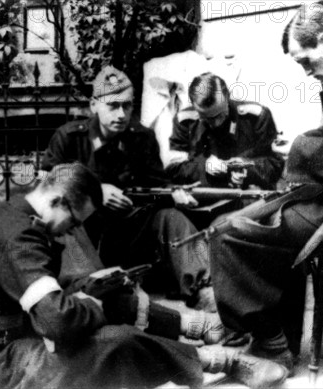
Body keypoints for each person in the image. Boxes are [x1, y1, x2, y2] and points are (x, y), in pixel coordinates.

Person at [0, 162, 288, 389]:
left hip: (1, 336)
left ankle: (201, 327)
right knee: (114, 341)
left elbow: (47, 300)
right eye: (74, 222)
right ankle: (220, 362)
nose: (69, 233)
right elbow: (57, 323)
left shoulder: (19, 210)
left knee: (100, 292)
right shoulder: (20, 236)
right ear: (58, 201)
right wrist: (94, 304)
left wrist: (94, 291)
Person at [209, 3, 323, 376]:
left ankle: (271, 339)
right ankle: (276, 341)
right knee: (248, 220)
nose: (306, 71)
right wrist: (303, 143)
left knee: (232, 233)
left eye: (306, 61)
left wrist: (303, 149)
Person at [41, 66, 210, 307]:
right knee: (61, 217)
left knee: (170, 217)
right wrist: (96, 192)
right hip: (84, 240)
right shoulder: (69, 138)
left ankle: (203, 287)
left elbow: (157, 187)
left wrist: (174, 194)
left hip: (127, 235)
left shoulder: (142, 138)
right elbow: (47, 190)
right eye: (113, 105)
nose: (121, 114)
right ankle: (87, 289)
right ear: (93, 105)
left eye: (127, 106)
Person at [166, 72, 284, 190]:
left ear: (227, 96)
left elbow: (275, 164)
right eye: (207, 118)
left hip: (250, 197)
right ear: (194, 106)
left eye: (220, 115)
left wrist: (247, 170)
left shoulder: (256, 117)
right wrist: (204, 167)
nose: (216, 123)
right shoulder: (184, 122)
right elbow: (174, 169)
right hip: (204, 199)